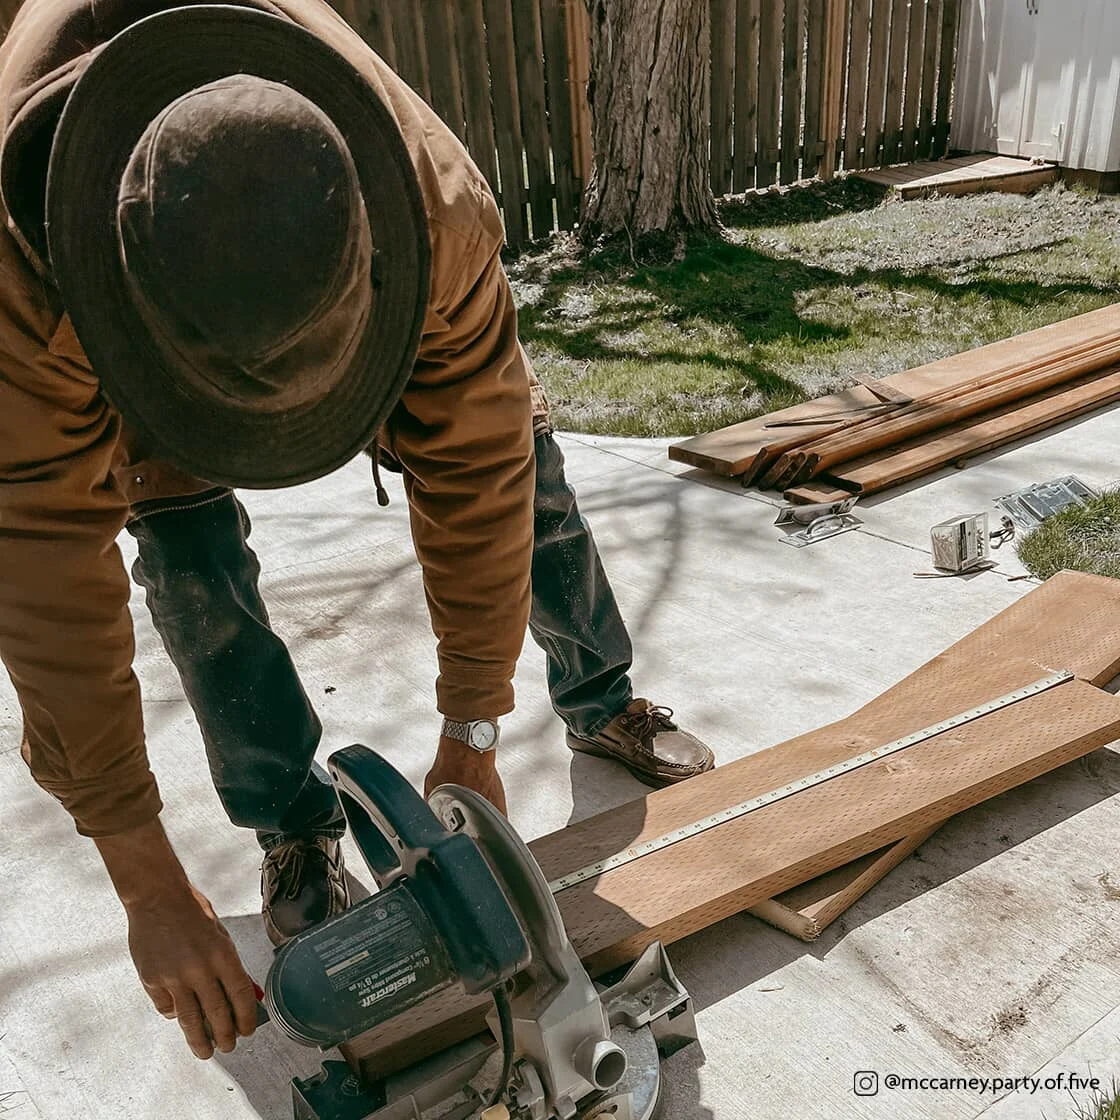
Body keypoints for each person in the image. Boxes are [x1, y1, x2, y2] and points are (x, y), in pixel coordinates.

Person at [0, 0, 714, 1064]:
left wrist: (471, 728)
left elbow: (473, 464)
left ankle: (596, 695)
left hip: (304, 271)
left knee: (522, 462)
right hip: (136, 308)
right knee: (188, 559)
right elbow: (43, 576)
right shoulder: (23, 287)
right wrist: (146, 880)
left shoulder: (433, 207)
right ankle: (294, 827)